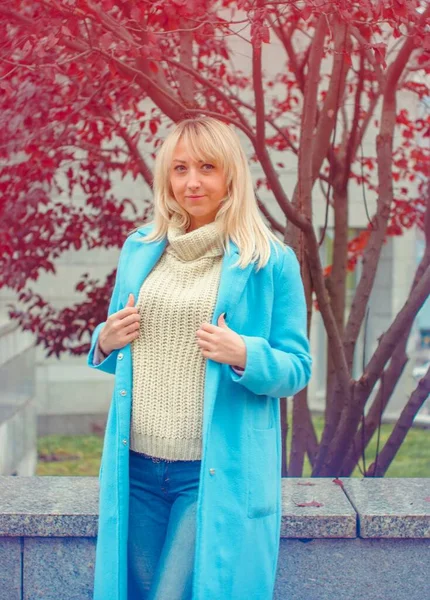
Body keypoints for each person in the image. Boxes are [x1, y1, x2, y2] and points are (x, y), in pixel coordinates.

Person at [87, 116, 312, 600]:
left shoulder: (269, 260)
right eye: (180, 168)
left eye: (207, 168)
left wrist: (245, 354)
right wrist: (104, 341)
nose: (192, 182)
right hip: (136, 468)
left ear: (230, 175)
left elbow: (297, 367)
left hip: (209, 470)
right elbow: (115, 344)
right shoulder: (140, 249)